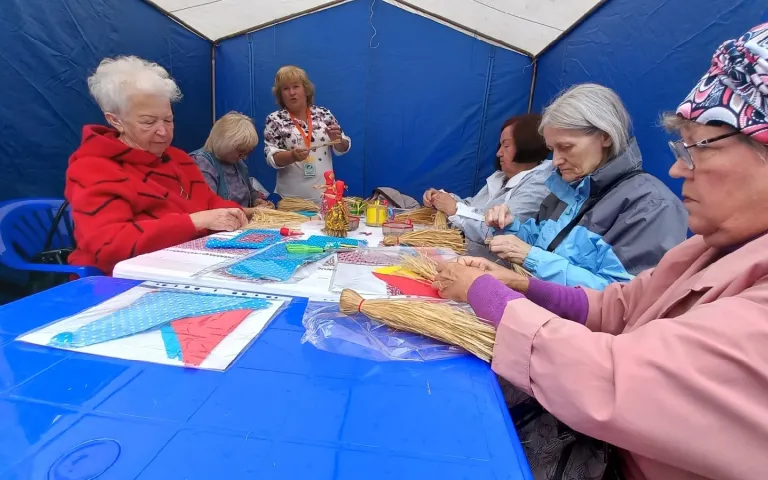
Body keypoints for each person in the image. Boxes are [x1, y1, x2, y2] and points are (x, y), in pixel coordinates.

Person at [434, 23, 768, 480]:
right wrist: (520, 281)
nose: (676, 169)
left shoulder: (650, 206)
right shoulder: (705, 248)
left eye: (697, 148)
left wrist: (492, 291)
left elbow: (617, 379)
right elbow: (621, 306)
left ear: (604, 136)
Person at [485, 84, 687, 290]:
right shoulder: (568, 188)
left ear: (605, 136)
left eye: (566, 147)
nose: (556, 161)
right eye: (552, 149)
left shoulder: (651, 205)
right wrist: (510, 227)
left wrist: (532, 258)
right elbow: (540, 243)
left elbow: (626, 297)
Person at [65, 56, 247, 275]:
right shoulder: (93, 168)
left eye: (168, 120)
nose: (163, 131)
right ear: (115, 120)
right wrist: (194, 222)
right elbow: (109, 245)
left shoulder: (178, 159)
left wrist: (232, 213)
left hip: (186, 267)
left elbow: (210, 203)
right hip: (117, 280)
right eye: (148, 122)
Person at [423, 114, 552, 257]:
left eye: (506, 146)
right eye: (500, 145)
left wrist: (454, 209)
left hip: (490, 266)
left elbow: (499, 231)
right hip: (464, 256)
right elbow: (473, 206)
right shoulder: (500, 178)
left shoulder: (537, 186)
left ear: (527, 146)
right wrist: (443, 198)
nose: (498, 153)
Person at [263, 65, 351, 202]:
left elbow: (343, 148)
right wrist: (292, 156)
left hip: (326, 197)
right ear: (281, 95)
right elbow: (271, 158)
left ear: (306, 89)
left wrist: (338, 140)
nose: (292, 92)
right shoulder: (274, 120)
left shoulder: (324, 114)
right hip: (291, 201)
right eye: (286, 89)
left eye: (296, 86)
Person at [190, 111, 274, 213]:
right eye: (240, 152)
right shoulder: (201, 162)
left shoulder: (237, 163)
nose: (244, 158)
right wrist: (253, 212)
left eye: (247, 152)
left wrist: (257, 201)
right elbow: (209, 207)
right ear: (225, 144)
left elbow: (249, 191)